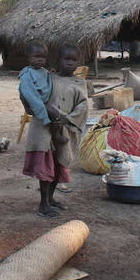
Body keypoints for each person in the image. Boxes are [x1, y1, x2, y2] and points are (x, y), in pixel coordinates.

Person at [22, 44, 88, 218]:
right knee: (46, 165)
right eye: (66, 59)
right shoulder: (47, 77)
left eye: (73, 60)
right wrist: (29, 106)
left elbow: (83, 106)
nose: (69, 63)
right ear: (58, 60)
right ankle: (43, 204)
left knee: (60, 164)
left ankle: (51, 198)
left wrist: (66, 119)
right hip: (43, 128)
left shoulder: (81, 83)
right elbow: (28, 92)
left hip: (64, 129)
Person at [19, 42, 69, 147]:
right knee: (55, 114)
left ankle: (54, 135)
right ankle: (56, 135)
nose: (40, 59)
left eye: (43, 57)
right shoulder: (27, 74)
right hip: (37, 102)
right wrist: (40, 108)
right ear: (28, 58)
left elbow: (48, 82)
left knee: (59, 114)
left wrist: (51, 74)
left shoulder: (43, 71)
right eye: (37, 56)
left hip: (44, 101)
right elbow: (29, 93)